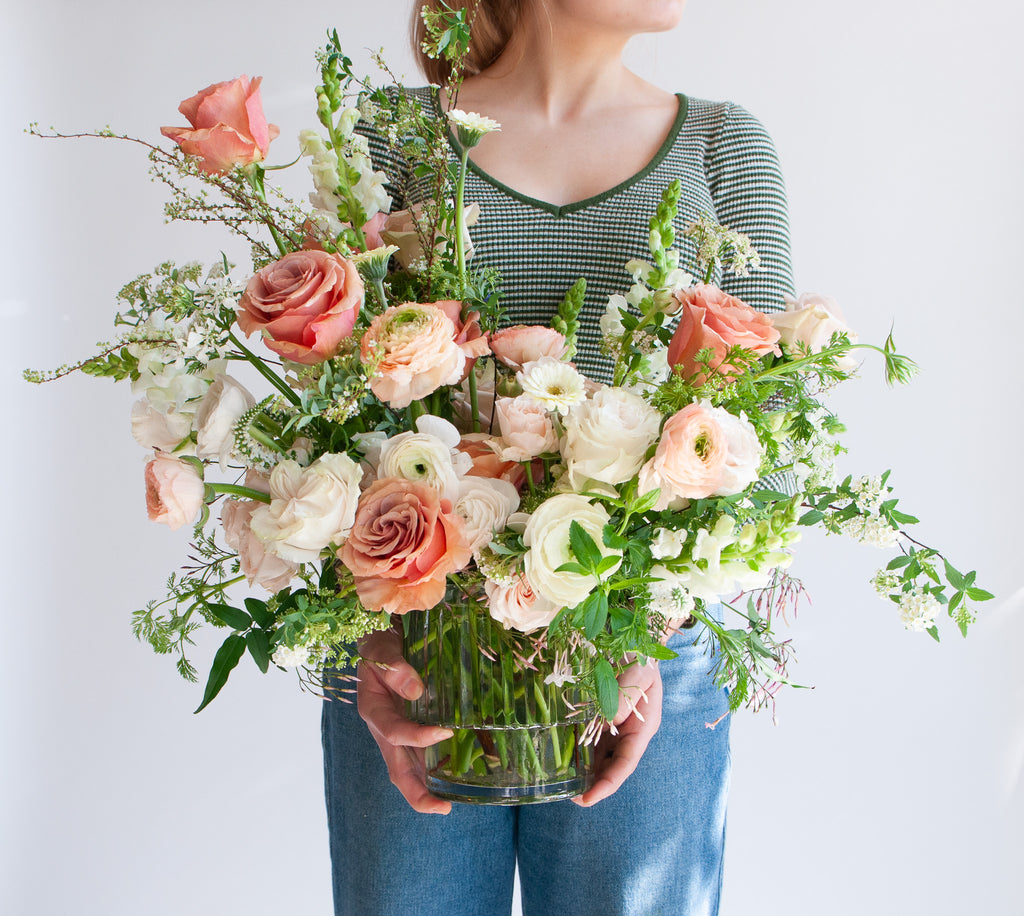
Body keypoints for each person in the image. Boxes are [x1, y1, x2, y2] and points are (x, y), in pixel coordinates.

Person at [322, 1, 795, 913]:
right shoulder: (396, 136)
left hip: (645, 661)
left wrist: (641, 631)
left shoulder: (724, 148)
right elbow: (334, 420)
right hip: (424, 653)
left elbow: (761, 443)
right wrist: (376, 641)